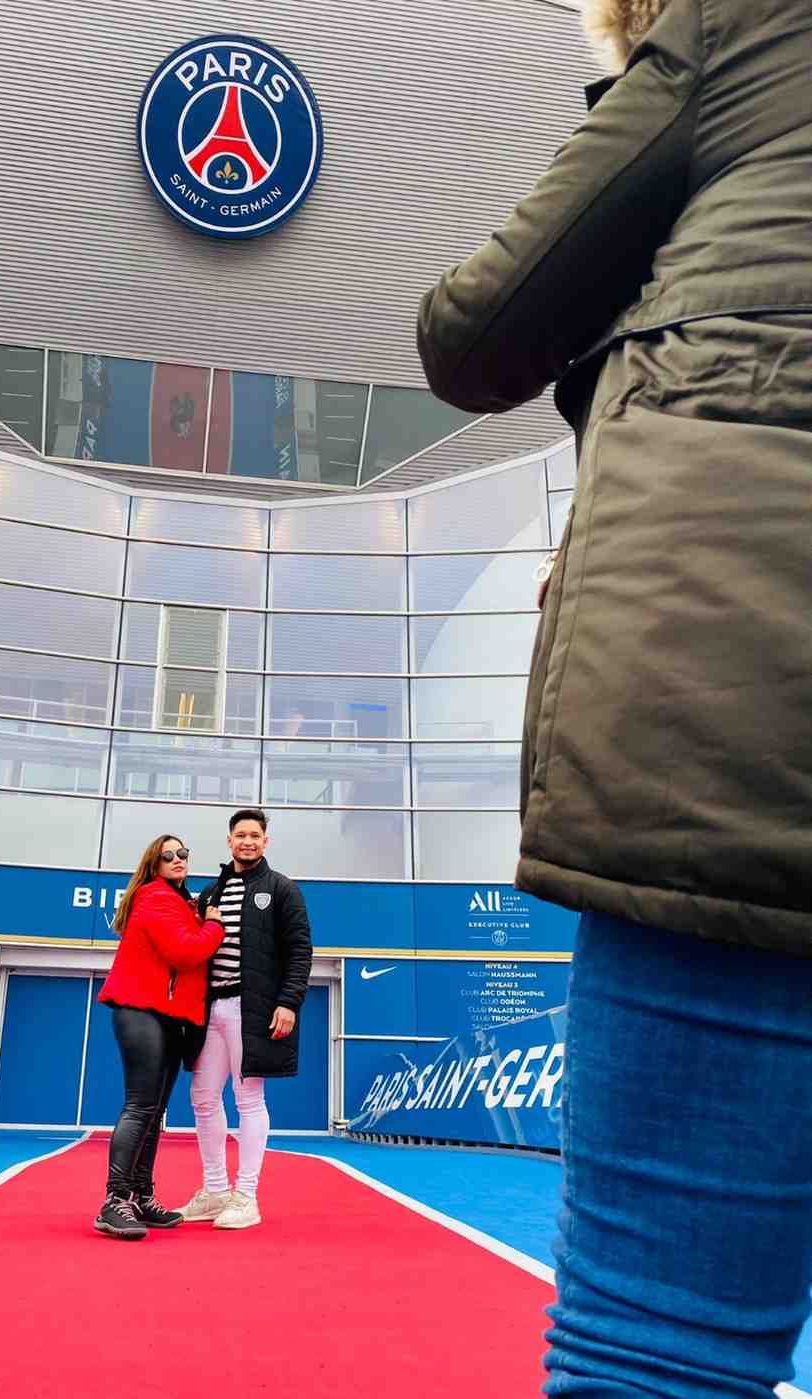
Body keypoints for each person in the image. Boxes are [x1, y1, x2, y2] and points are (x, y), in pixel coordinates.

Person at [417, 0, 812, 1393]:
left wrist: (648, 111)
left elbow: (472, 333)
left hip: (742, 725)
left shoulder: (740, 28)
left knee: (660, 1343)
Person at [175, 808, 312, 1230]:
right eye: (240, 835)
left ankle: (246, 1196)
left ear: (265, 841)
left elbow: (300, 953)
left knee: (249, 1099)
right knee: (201, 1097)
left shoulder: (283, 889)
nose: (248, 841)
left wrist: (288, 1003)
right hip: (210, 1009)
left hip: (253, 1011)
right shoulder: (211, 893)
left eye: (255, 835)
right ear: (229, 841)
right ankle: (215, 1191)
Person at [92, 835, 224, 1241]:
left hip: (168, 1017)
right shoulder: (154, 896)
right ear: (154, 863)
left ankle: (142, 1195)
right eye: (168, 855)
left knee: (153, 1112)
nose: (178, 859)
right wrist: (215, 924)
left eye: (184, 853)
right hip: (141, 1010)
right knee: (139, 1106)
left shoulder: (183, 903)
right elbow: (185, 953)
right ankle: (115, 1202)